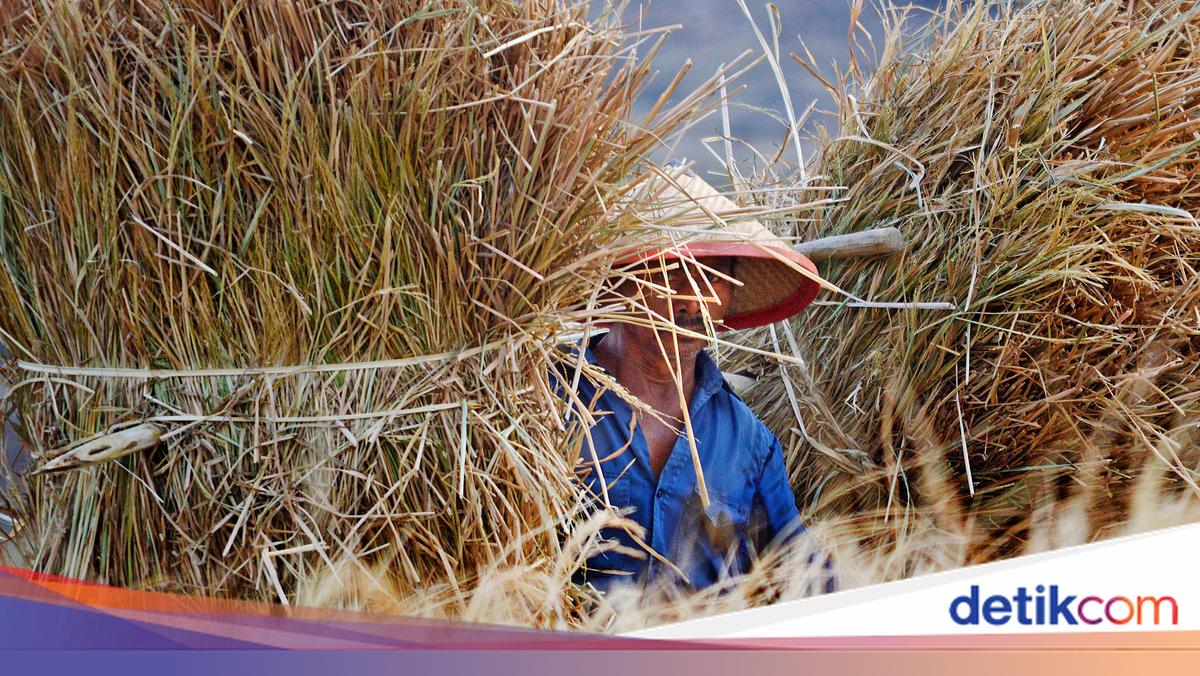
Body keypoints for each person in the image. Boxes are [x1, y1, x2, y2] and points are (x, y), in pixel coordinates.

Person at [555, 165, 827, 594]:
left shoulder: (746, 442)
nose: (691, 302)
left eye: (713, 278)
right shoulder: (547, 404)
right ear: (617, 284)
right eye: (668, 274)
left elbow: (804, 575)